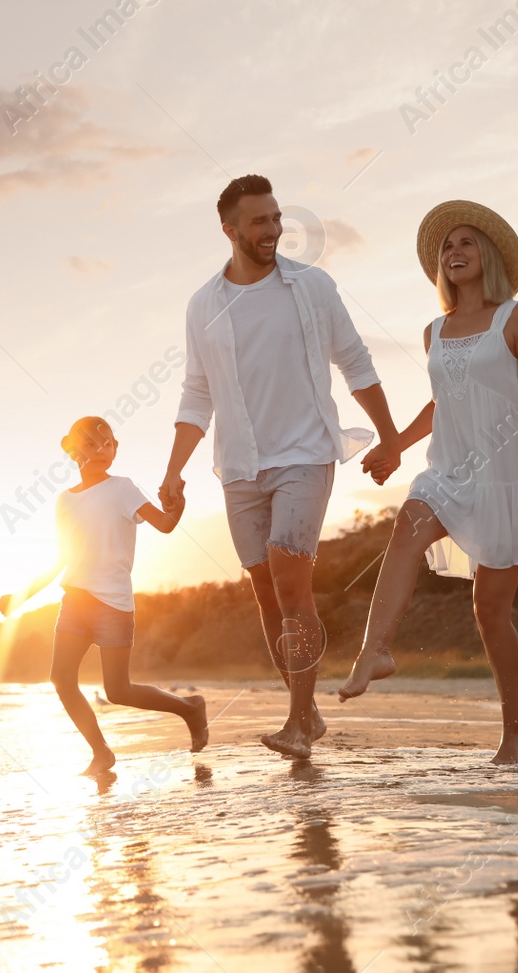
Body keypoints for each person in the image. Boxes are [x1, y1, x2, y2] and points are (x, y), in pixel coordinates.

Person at [159, 174, 403, 760]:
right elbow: (197, 394)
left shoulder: (312, 286)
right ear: (230, 230)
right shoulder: (204, 305)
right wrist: (173, 472)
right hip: (240, 466)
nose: (272, 230)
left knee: (293, 584)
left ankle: (296, 721)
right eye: (259, 221)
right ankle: (308, 709)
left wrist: (391, 437)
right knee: (267, 596)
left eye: (276, 219)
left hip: (306, 453)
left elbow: (355, 361)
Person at [337, 201, 518, 765]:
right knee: (405, 527)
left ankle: (515, 731)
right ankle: (376, 650)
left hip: (504, 474)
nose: (455, 252)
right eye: (447, 246)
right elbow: (442, 401)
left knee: (489, 612)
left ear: (486, 254)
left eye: (466, 242)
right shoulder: (434, 331)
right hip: (448, 467)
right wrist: (395, 445)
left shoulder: (515, 317)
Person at [0, 416, 209, 775]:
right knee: (62, 680)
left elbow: (165, 524)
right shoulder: (64, 501)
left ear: (115, 448)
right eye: (90, 444)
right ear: (72, 450)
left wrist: (177, 504)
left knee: (118, 690)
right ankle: (101, 752)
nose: (100, 450)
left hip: (113, 603)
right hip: (75, 601)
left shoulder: (123, 488)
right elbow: (60, 559)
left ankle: (189, 707)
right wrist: (22, 596)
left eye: (107, 443)